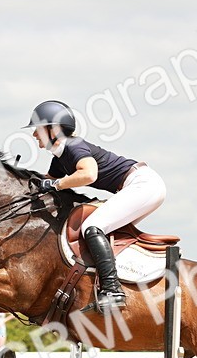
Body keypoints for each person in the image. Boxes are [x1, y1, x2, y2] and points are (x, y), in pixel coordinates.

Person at [24, 100, 166, 313]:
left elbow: (89, 174)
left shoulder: (73, 146)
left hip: (143, 184)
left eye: (38, 128)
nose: (34, 134)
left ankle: (113, 291)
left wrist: (56, 183)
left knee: (93, 226)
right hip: (138, 186)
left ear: (53, 129)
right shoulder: (60, 157)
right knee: (105, 229)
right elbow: (44, 182)